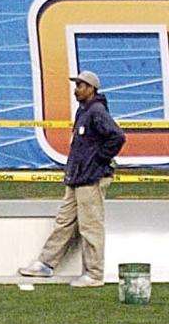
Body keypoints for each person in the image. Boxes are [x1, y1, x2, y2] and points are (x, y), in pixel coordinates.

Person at [19, 70, 126, 289]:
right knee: (64, 221)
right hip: (78, 177)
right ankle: (46, 263)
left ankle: (94, 274)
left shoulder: (96, 111)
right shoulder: (84, 111)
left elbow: (117, 136)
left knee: (90, 226)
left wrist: (98, 159)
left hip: (91, 178)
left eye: (80, 85)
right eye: (76, 85)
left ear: (91, 88)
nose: (76, 89)